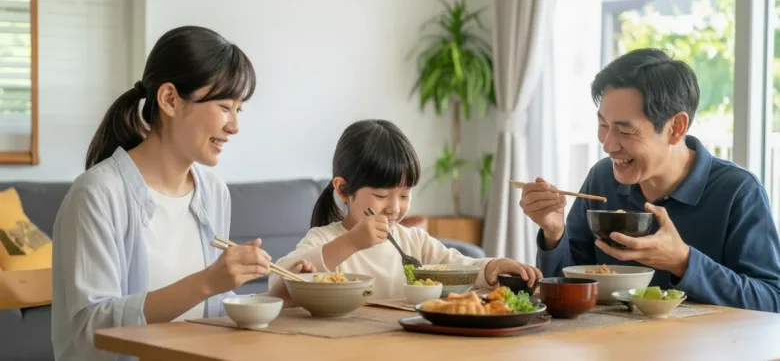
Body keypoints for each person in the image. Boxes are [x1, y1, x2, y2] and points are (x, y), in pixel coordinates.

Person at [51, 25, 311, 361]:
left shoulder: (213, 193)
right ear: (170, 99)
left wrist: (275, 298)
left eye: (238, 109)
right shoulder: (98, 195)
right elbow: (90, 331)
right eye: (224, 106)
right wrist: (206, 282)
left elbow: (205, 313)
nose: (234, 126)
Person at [521, 48, 780, 313]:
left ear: (676, 128)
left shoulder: (737, 191)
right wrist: (554, 234)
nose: (608, 145)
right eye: (603, 125)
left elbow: (772, 300)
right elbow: (567, 285)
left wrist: (683, 261)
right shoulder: (602, 178)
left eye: (624, 130)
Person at [269, 119, 543, 300]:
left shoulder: (413, 242)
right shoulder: (325, 239)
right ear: (343, 189)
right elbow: (279, 284)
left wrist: (493, 267)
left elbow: (458, 267)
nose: (394, 207)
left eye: (404, 195)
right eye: (380, 195)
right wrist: (352, 242)